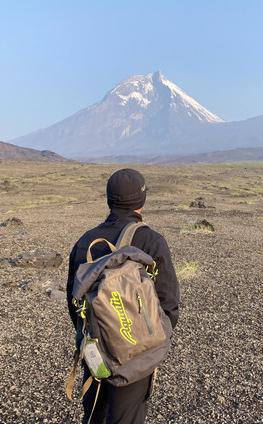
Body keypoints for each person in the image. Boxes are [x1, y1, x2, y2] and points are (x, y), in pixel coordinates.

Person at [66, 168, 180, 424]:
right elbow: (169, 304)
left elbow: (73, 302)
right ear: (142, 201)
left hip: (94, 347)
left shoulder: (85, 242)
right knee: (126, 418)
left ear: (109, 200)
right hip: (136, 354)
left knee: (95, 413)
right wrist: (151, 342)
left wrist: (96, 336)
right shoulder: (151, 240)